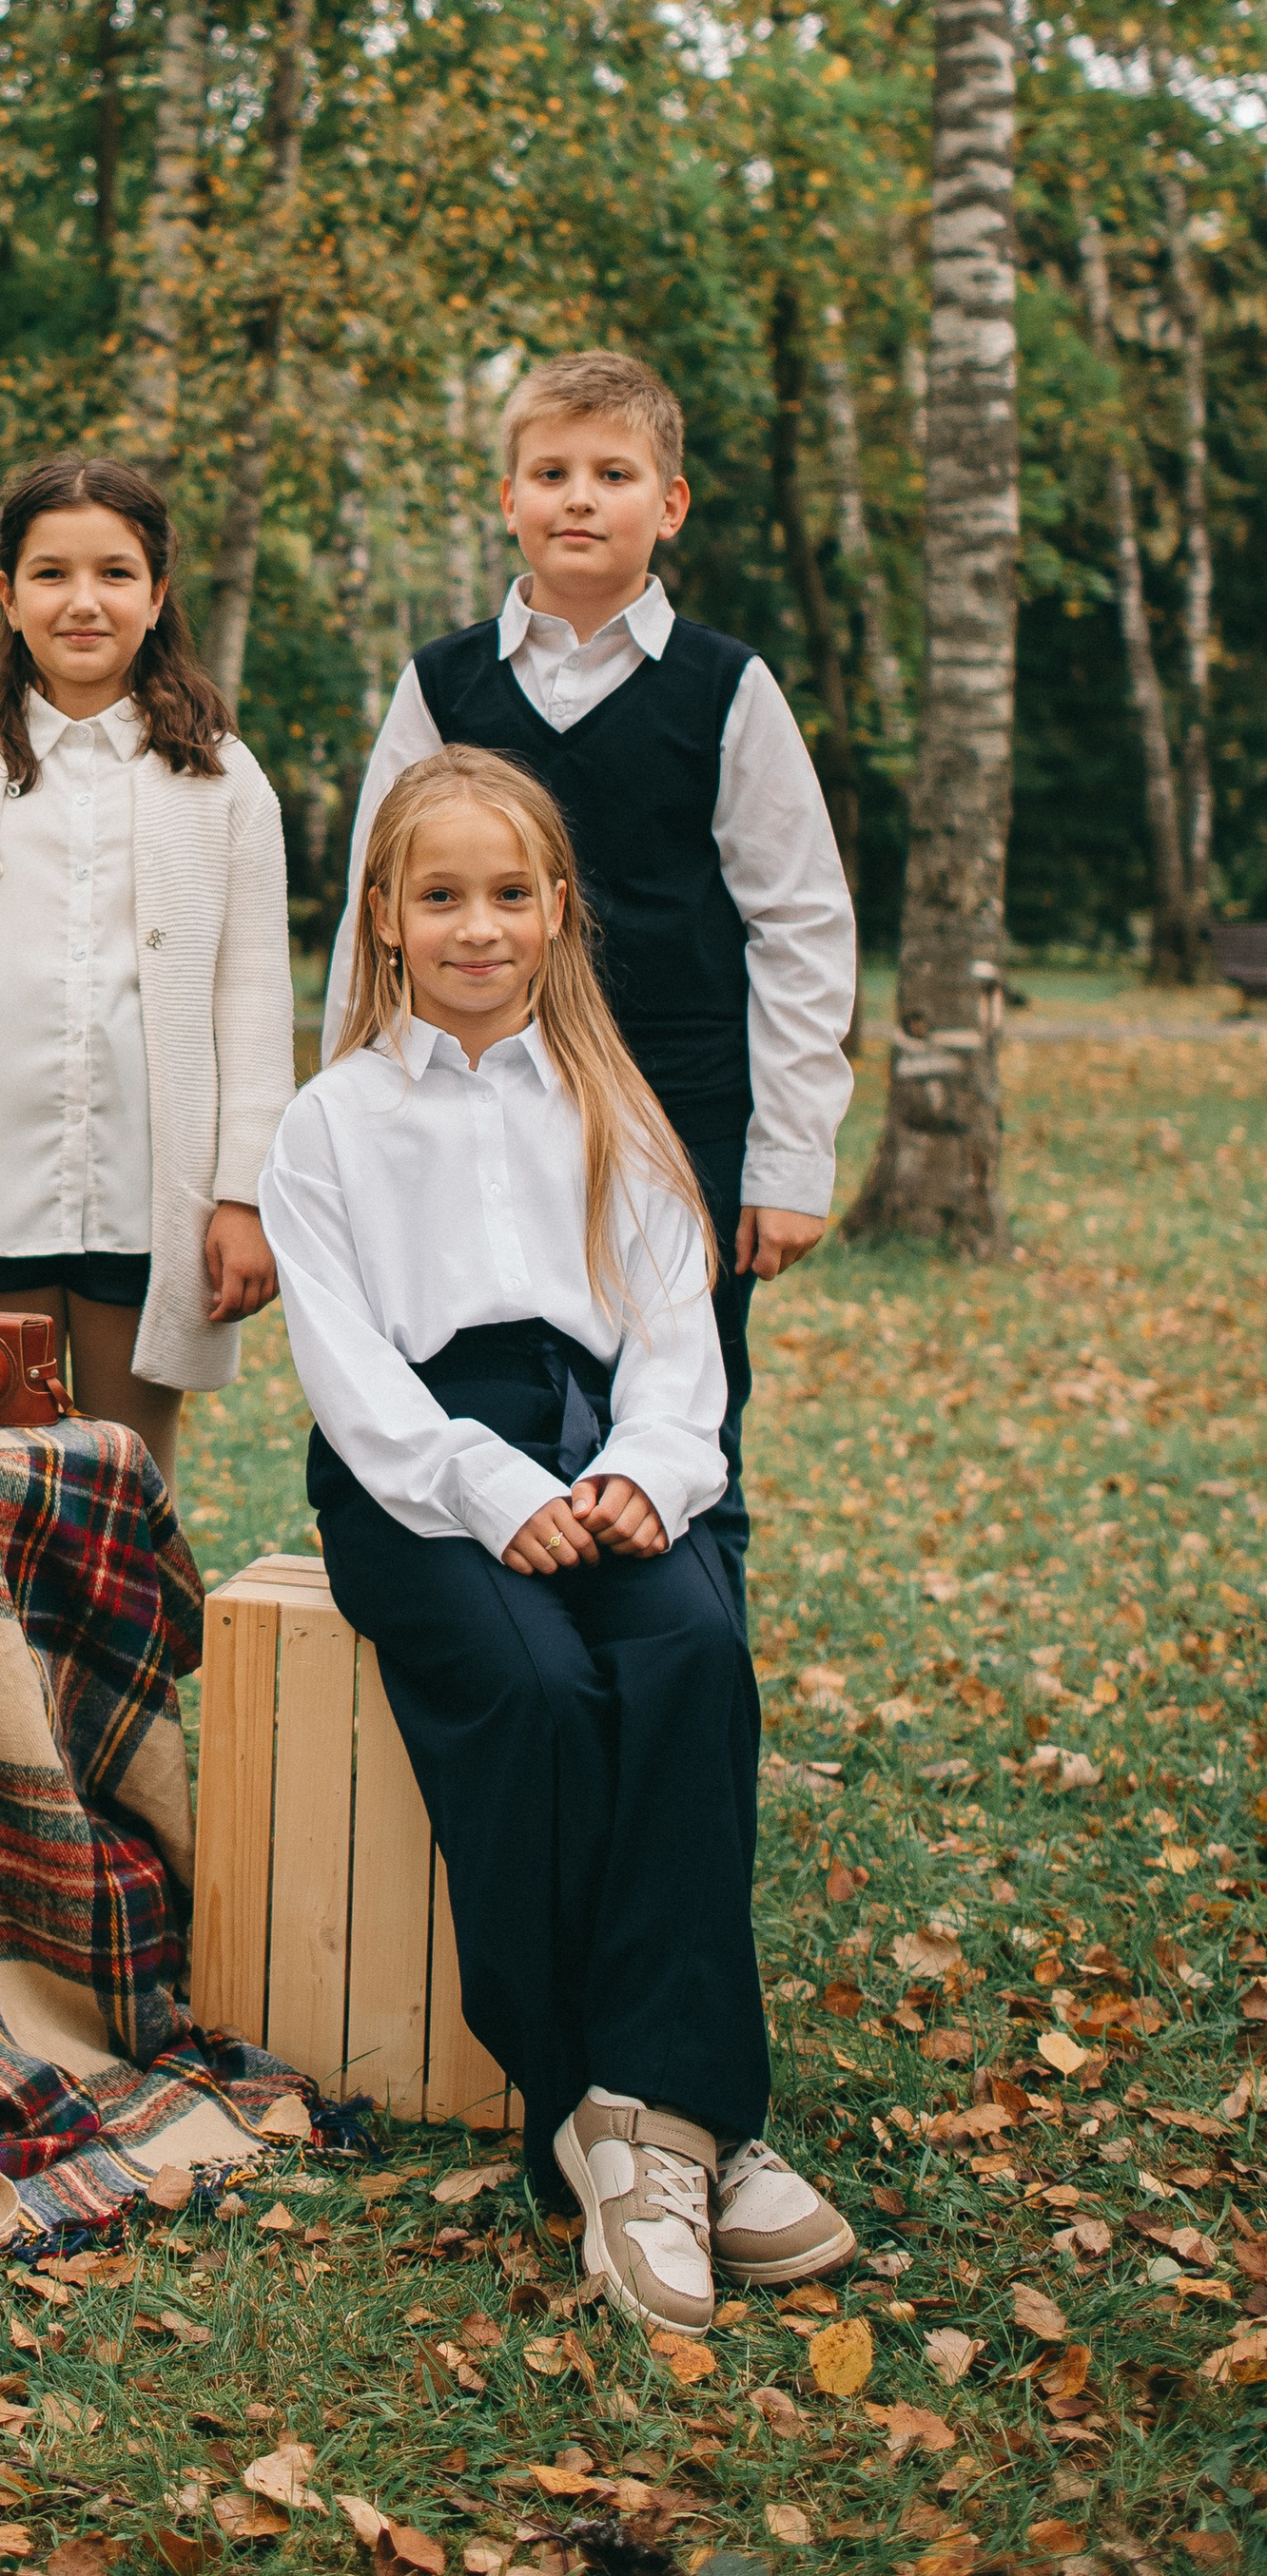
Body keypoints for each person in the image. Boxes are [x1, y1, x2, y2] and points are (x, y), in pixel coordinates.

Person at [263, 743, 853, 2336]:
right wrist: (488, 1492)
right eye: (439, 895)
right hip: (417, 1471)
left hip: (603, 1444)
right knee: (535, 1691)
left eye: (509, 894)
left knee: (689, 1651)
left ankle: (665, 2127)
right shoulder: (332, 1122)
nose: (476, 925)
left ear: (556, 912)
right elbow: (349, 1369)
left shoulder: (612, 1104)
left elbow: (674, 1332)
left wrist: (655, 1471)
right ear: (383, 918)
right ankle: (619, 2110)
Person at [322, 351, 854, 1593]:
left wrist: (788, 1158)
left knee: (685, 1416)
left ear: (667, 503)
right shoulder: (441, 683)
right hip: (473, 1101)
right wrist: (364, 1111)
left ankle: (687, 1660)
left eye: (613, 474)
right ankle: (530, 1654)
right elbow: (374, 910)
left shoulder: (729, 687)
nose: (579, 497)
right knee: (501, 1378)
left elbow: (802, 924)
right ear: (507, 495)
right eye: (551, 472)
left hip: (681, 1105)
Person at [0, 453, 295, 1496]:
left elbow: (252, 995)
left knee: (129, 1489)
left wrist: (244, 1194)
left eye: (114, 573)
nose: (82, 601)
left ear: (157, 592)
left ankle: (124, 1664)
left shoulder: (224, 780)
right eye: (50, 573)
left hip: (151, 1196)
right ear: (7, 594)